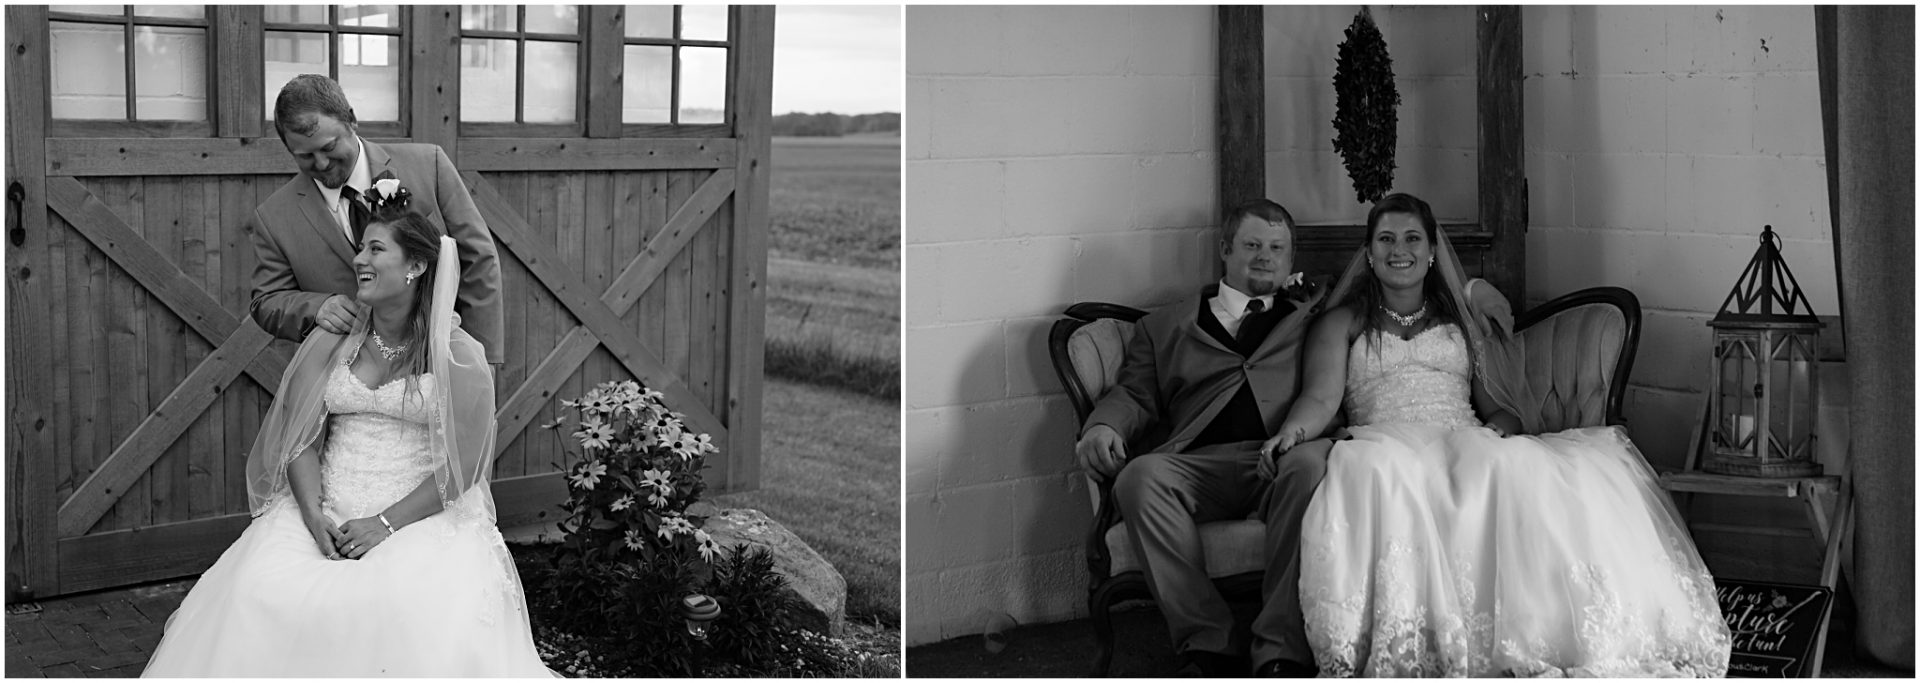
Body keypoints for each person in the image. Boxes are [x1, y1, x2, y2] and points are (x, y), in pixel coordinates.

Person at [1263, 192, 1731, 677]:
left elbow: (1497, 408)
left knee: (1511, 466)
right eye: (1385, 239)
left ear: (1429, 253)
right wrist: (1292, 433)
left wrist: (1496, 431)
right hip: (1384, 439)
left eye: (1411, 238)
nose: (1398, 249)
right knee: (1383, 473)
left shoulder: (1458, 326)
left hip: (1461, 436)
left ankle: (1535, 637)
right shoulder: (1342, 322)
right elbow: (1320, 399)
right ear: (1368, 253)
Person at [142, 189, 550, 676]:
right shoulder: (332, 340)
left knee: (398, 606)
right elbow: (301, 440)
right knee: (257, 589)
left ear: (416, 267)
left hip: (420, 512)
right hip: (327, 504)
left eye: (376, 250)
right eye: (361, 248)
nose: (359, 259)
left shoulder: (457, 355)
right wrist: (314, 516)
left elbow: (465, 465)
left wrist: (386, 524)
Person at [1074, 199, 1332, 677]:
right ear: (1225, 249)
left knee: (1313, 466)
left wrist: (1475, 287)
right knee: (1139, 478)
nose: (1265, 257)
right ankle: (1208, 639)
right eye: (1253, 245)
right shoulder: (1165, 325)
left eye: (1278, 248)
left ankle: (1280, 648)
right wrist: (1104, 425)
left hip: (1283, 455)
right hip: (1198, 465)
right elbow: (1134, 392)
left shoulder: (1316, 313)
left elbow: (1396, 283)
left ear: (1292, 260)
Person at [249, 73, 505, 365]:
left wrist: (483, 358)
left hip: (439, 362)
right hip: (344, 376)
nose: (320, 163)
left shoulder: (429, 166)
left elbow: (479, 259)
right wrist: (316, 307)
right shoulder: (274, 217)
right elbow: (266, 301)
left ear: (351, 120)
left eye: (329, 147)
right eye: (305, 156)